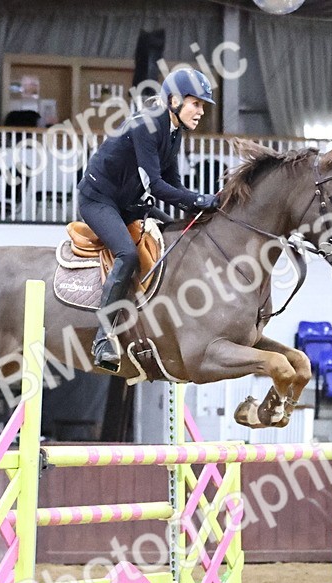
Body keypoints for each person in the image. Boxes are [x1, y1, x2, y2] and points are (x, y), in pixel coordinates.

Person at [77, 67, 221, 372]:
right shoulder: (147, 125)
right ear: (174, 100)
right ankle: (103, 337)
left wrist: (202, 207)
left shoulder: (174, 130)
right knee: (128, 254)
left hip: (128, 203)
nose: (201, 111)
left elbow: (174, 185)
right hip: (98, 200)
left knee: (172, 231)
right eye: (196, 104)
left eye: (203, 106)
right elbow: (155, 185)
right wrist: (198, 200)